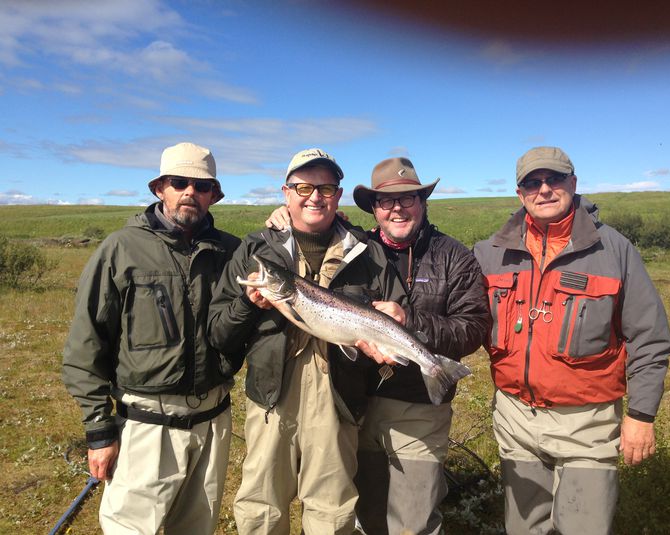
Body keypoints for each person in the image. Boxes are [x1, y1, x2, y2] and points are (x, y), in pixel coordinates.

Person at [266, 156, 491, 534]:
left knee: (414, 519)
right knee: (367, 516)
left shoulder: (454, 258)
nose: (397, 208)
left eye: (408, 199)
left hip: (420, 407)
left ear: (423, 202)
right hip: (360, 405)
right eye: (386, 201)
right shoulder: (359, 248)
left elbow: (474, 327)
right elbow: (315, 218)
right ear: (374, 208)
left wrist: (411, 322)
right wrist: (282, 215)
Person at [473, 146, 670, 535]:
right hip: (515, 421)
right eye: (532, 182)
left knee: (584, 527)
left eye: (554, 179)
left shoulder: (613, 249)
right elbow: (459, 317)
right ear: (520, 194)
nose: (543, 189)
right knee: (522, 528)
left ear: (573, 184)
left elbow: (649, 338)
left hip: (589, 425)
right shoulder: (489, 253)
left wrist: (642, 415)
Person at [207, 148, 404, 535]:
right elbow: (219, 332)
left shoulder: (369, 253)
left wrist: (396, 318)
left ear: (338, 195)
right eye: (304, 187)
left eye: (326, 187)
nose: (315, 196)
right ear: (286, 193)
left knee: (332, 514)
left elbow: (394, 314)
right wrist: (249, 305)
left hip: (339, 399)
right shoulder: (255, 250)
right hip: (270, 399)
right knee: (261, 510)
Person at [62, 142, 241, 534]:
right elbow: (85, 345)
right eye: (179, 182)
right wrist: (98, 429)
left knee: (198, 527)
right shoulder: (120, 249)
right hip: (146, 425)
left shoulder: (232, 252)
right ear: (161, 188)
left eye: (201, 184)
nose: (189, 191)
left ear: (214, 194)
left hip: (214, 422)